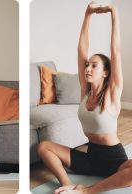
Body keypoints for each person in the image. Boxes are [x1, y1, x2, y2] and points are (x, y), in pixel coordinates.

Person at [37, 2, 132, 194]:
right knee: (44, 147)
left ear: (106, 73)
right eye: (87, 65)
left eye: (94, 66)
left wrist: (114, 13)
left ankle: (87, 191)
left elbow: (116, 50)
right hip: (90, 157)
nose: (88, 68)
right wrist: (87, 14)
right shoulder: (85, 92)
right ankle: (67, 184)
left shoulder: (112, 94)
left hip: (114, 159)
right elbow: (81, 49)